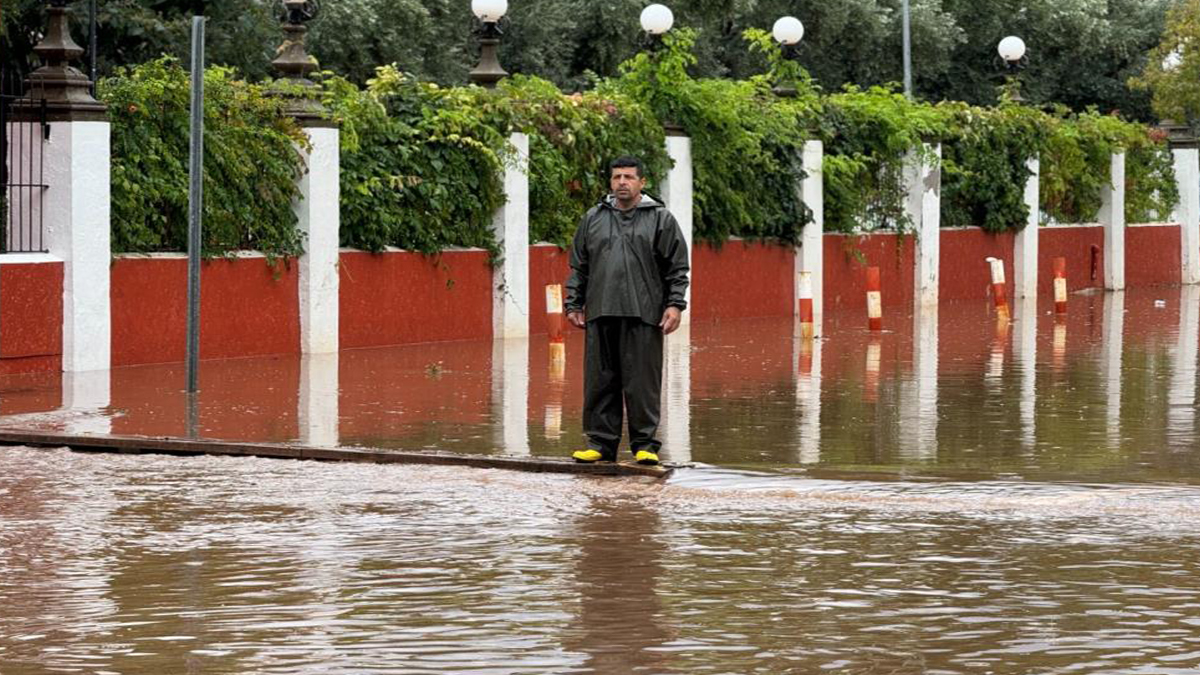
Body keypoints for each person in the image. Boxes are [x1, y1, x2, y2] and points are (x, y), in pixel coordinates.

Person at [564, 155, 690, 466]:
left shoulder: (661, 219)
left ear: (641, 182)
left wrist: (674, 304)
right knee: (599, 380)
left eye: (629, 177)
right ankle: (600, 444)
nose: (622, 182)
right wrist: (574, 303)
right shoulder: (593, 218)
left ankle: (644, 445)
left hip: (644, 312)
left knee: (642, 382)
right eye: (617, 177)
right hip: (601, 311)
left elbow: (677, 267)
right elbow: (579, 266)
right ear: (610, 181)